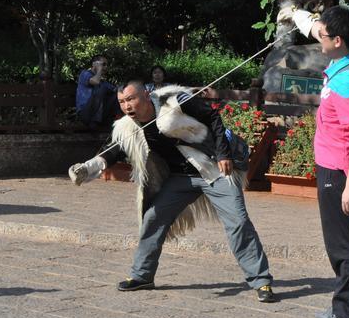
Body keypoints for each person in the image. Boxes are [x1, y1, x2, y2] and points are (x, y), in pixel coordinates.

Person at [67, 80, 276, 302]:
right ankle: (142, 276)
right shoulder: (128, 126)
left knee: (238, 222)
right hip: (179, 179)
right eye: (121, 102)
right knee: (153, 218)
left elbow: (213, 117)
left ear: (146, 95)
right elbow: (114, 150)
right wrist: (87, 168)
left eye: (131, 99)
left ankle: (261, 281)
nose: (127, 106)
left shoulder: (176, 102)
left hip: (213, 170)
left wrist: (223, 154)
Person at [292, 5, 349, 318]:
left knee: (345, 247)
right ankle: (346, 309)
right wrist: (294, 12)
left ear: (338, 40)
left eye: (323, 35)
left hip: (341, 172)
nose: (317, 38)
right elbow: (315, 27)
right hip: (336, 166)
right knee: (345, 242)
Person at [75, 55, 118, 128]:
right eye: (103, 64)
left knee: (116, 95)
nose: (106, 67)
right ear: (94, 64)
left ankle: (113, 122)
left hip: (99, 116)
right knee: (101, 89)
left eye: (106, 65)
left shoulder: (102, 81)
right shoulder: (85, 73)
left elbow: (115, 90)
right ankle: (94, 122)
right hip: (85, 114)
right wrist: (99, 69)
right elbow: (95, 81)